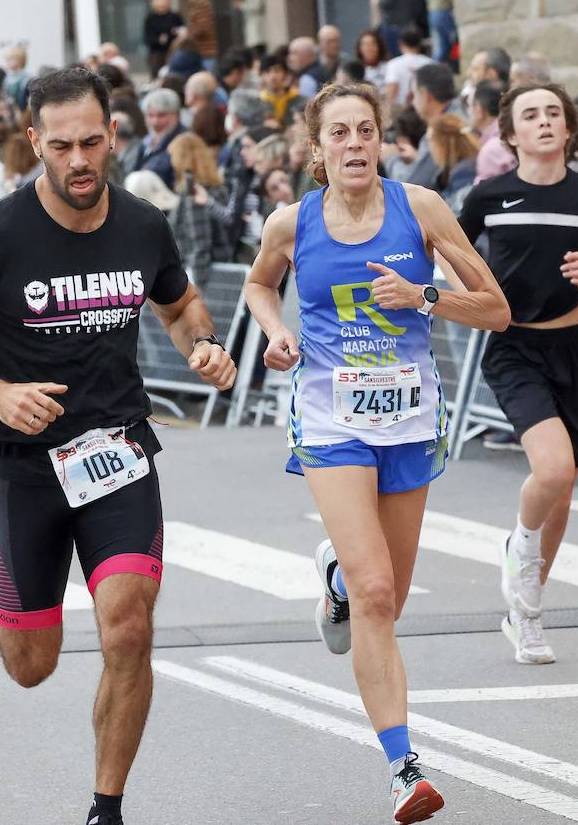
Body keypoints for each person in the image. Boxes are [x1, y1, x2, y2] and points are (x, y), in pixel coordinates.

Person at [0, 67, 236, 825]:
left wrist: (204, 347)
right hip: (26, 470)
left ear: (114, 135)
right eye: (62, 146)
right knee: (32, 664)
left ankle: (107, 807)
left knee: (128, 625)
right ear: (34, 143)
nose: (79, 159)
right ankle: (18, 606)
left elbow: (181, 304)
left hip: (117, 455)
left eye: (92, 141)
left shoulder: (143, 224)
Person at [243, 81, 509, 824]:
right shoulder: (291, 223)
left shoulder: (419, 209)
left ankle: (333, 575)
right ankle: (403, 767)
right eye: (340, 134)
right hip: (331, 420)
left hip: (410, 420)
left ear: (383, 139)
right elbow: (260, 288)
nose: (355, 144)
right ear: (317, 148)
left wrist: (423, 297)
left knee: (385, 594)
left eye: (366, 131)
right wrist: (276, 331)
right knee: (378, 592)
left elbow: (495, 307)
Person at [459, 83, 578, 664]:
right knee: (551, 470)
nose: (545, 122)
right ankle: (519, 548)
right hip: (513, 348)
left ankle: (525, 612)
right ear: (511, 134)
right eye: (531, 115)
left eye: (554, 112)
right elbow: (450, 254)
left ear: (569, 127)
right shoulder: (489, 195)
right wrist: (458, 295)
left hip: (573, 348)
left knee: (562, 490)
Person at [167, 131, 231, 289]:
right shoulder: (217, 189)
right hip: (218, 274)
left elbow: (200, 243)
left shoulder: (194, 193)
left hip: (201, 277)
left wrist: (198, 287)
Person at [134, 88, 185, 188]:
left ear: (176, 115)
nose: (155, 122)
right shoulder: (146, 142)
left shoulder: (184, 142)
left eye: (161, 115)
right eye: (150, 115)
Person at [382, 26, 432, 108]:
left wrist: (387, 112)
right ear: (419, 44)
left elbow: (392, 90)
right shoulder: (430, 63)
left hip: (403, 112)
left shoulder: (394, 64)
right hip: (426, 110)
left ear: (401, 43)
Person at [142, 0, 184, 81]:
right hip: (157, 53)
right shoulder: (150, 18)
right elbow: (147, 37)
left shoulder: (175, 16)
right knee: (157, 77)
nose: (162, 2)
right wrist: (158, 40)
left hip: (174, 51)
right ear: (153, 1)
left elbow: (182, 32)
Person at [177, 0, 218, 72]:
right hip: (198, 54)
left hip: (206, 54)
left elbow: (202, 28)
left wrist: (186, 33)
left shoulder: (202, 5)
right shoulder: (194, 6)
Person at [355, 29, 389, 93]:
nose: (369, 48)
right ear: (359, 48)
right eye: (364, 44)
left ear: (379, 46)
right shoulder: (355, 71)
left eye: (372, 44)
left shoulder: (389, 67)